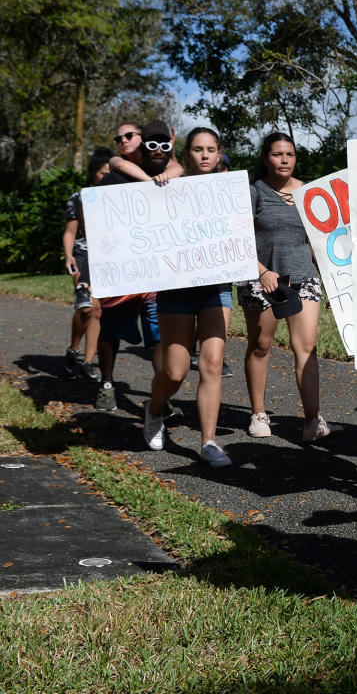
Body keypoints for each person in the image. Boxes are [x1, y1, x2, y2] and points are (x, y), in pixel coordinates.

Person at [143, 125, 232, 467]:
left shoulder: (229, 190)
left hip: (216, 287)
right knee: (176, 372)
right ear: (186, 153)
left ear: (219, 151)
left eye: (211, 149)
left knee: (211, 363)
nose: (205, 155)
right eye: (198, 149)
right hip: (176, 288)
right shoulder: (167, 187)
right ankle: (153, 410)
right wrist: (169, 176)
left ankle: (209, 442)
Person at [238, 132, 336, 443]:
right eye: (278, 154)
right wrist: (263, 271)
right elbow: (237, 240)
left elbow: (320, 241)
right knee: (260, 346)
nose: (284, 160)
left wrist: (332, 279)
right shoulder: (254, 193)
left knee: (306, 347)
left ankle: (312, 420)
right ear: (266, 158)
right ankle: (259, 413)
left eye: (290, 154)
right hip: (261, 279)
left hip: (303, 277)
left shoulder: (310, 193)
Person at [93, 123, 177, 414]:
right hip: (122, 274)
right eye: (120, 138)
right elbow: (98, 227)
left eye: (130, 135)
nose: (124, 141)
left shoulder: (167, 175)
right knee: (111, 332)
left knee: (158, 335)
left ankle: (161, 395)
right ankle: (106, 383)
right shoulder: (113, 178)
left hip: (157, 273)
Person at [61, 147, 110, 382]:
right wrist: (68, 255)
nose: (106, 177)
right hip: (82, 254)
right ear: (92, 174)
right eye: (102, 173)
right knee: (87, 307)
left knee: (98, 309)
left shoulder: (119, 197)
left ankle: (89, 361)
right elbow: (70, 231)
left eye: (110, 173)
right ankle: (73, 349)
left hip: (107, 256)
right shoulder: (79, 197)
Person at [108, 122, 184, 184]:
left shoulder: (155, 159)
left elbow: (177, 168)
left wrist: (165, 176)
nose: (123, 141)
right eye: (118, 139)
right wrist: (151, 182)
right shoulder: (117, 160)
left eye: (129, 135)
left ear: (142, 137)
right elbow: (120, 164)